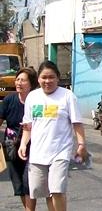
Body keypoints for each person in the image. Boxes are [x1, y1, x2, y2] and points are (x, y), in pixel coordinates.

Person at [18, 61, 88, 211]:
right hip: (37, 154)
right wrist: (24, 144)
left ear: (58, 78)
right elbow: (28, 126)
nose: (47, 81)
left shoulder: (67, 96)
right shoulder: (32, 97)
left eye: (51, 77)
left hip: (60, 152)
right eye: (44, 77)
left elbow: (77, 123)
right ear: (38, 79)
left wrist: (81, 144)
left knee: (57, 190)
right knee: (42, 191)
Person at [0, 68, 39, 211]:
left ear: (31, 83)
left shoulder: (36, 100)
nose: (18, 83)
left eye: (23, 80)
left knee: (29, 182)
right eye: (17, 79)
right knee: (19, 185)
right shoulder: (9, 99)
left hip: (33, 144)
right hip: (11, 145)